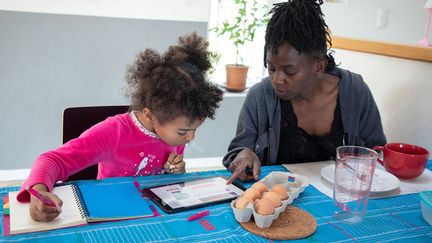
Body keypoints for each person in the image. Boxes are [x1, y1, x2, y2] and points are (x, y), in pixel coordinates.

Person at [17, 32, 223, 222]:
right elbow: (53, 160)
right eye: (183, 132)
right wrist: (39, 189)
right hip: (111, 215)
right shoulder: (113, 133)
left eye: (195, 129)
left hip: (155, 215)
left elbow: (164, 180)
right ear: (151, 115)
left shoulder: (173, 132)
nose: (190, 138)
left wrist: (176, 171)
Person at [223, 0, 386, 184]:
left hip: (342, 199)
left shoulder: (355, 92)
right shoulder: (260, 97)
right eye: (271, 68)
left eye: (290, 71)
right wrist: (244, 156)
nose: (277, 80)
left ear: (319, 66)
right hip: (282, 200)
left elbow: (377, 150)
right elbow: (238, 152)